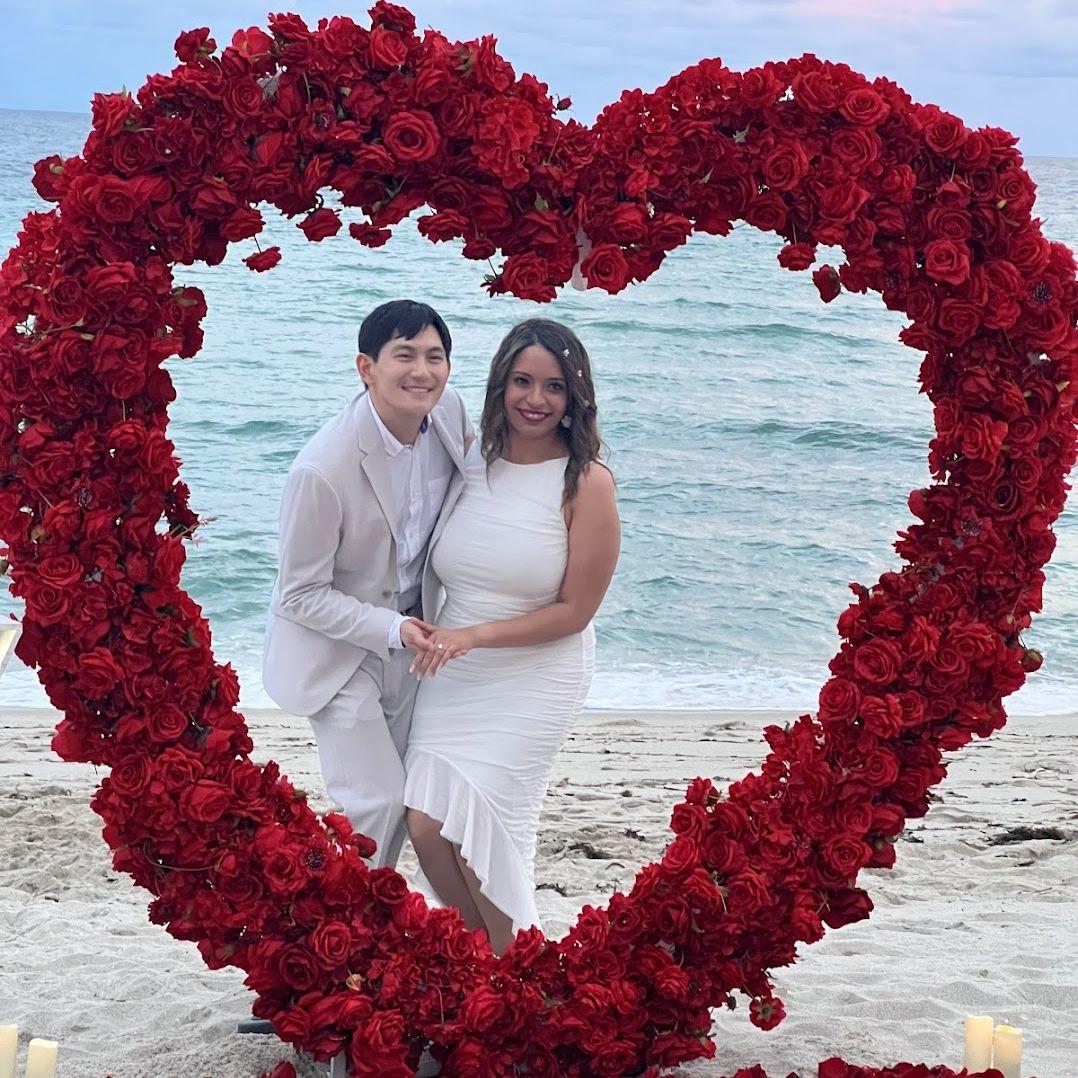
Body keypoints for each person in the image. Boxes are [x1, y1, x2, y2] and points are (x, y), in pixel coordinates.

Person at [403, 318, 621, 954]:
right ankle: (490, 967)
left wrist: (475, 635)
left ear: (574, 396)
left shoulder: (587, 482)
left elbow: (575, 611)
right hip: (453, 670)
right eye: (523, 381)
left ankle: (516, 972)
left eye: (554, 386)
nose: (536, 399)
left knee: (485, 839)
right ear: (500, 383)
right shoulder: (473, 461)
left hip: (536, 671)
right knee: (426, 827)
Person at [262, 299, 473, 869]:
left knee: (403, 800)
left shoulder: (449, 414)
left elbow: (479, 484)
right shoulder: (321, 470)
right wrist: (392, 628)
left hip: (413, 643)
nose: (422, 371)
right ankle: (348, 913)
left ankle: (365, 904)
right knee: (376, 801)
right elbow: (299, 594)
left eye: (435, 356)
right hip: (336, 651)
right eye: (404, 355)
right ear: (366, 368)